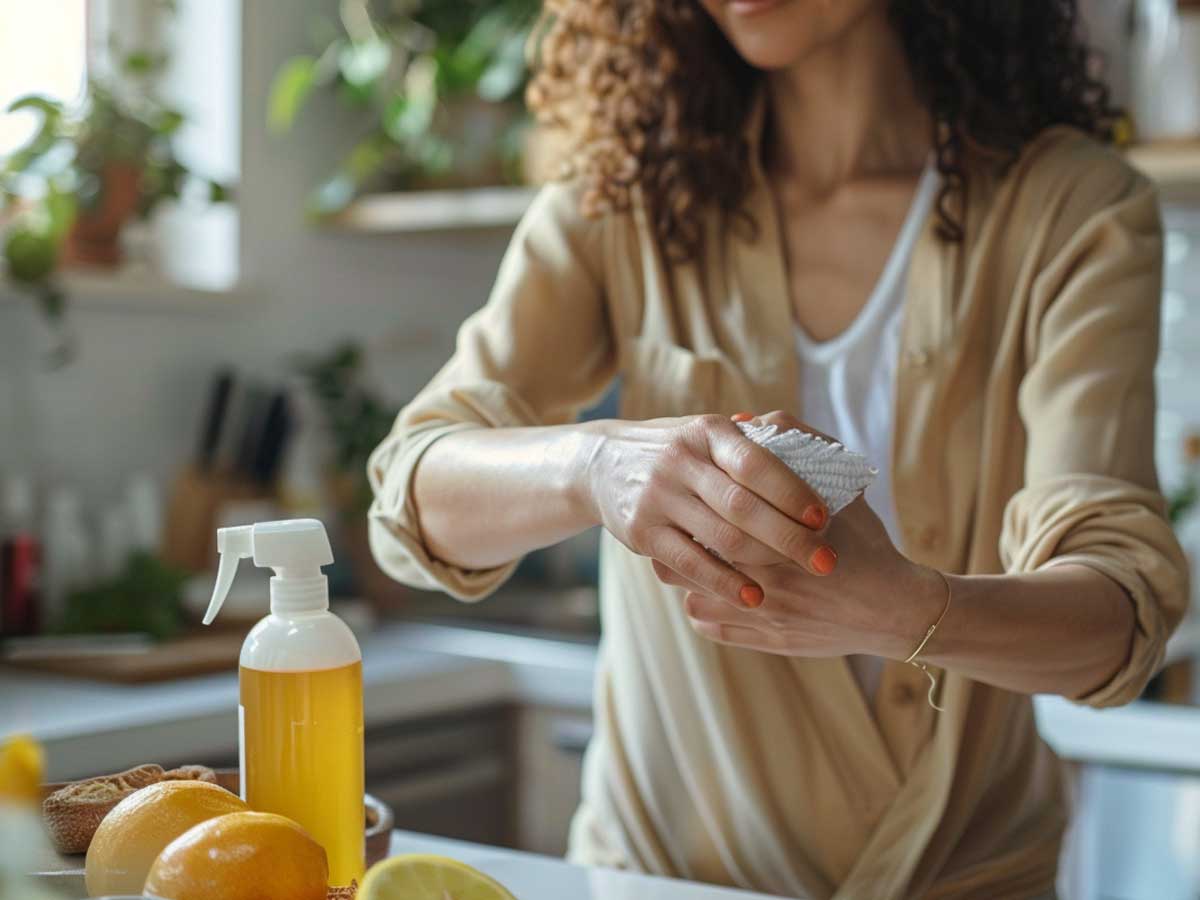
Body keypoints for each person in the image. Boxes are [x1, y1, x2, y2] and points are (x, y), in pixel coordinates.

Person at [367, 1, 1190, 897]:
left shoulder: (1073, 209)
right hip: (667, 884)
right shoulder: (627, 197)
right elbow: (411, 491)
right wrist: (593, 465)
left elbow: (1119, 616)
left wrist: (907, 609)